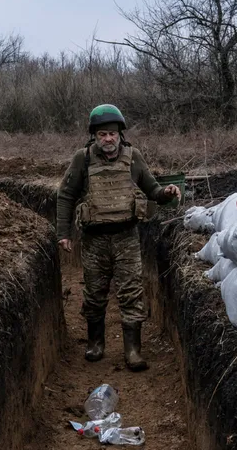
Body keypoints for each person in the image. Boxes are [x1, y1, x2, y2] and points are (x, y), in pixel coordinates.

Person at [55, 104, 181, 372]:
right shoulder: (83, 159)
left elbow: (152, 189)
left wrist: (167, 193)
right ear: (94, 136)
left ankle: (133, 350)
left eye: (112, 134)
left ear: (120, 134)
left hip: (127, 237)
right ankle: (96, 343)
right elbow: (66, 196)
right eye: (102, 134)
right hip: (93, 240)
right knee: (94, 293)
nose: (108, 139)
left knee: (131, 292)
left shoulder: (133, 157)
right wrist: (63, 234)